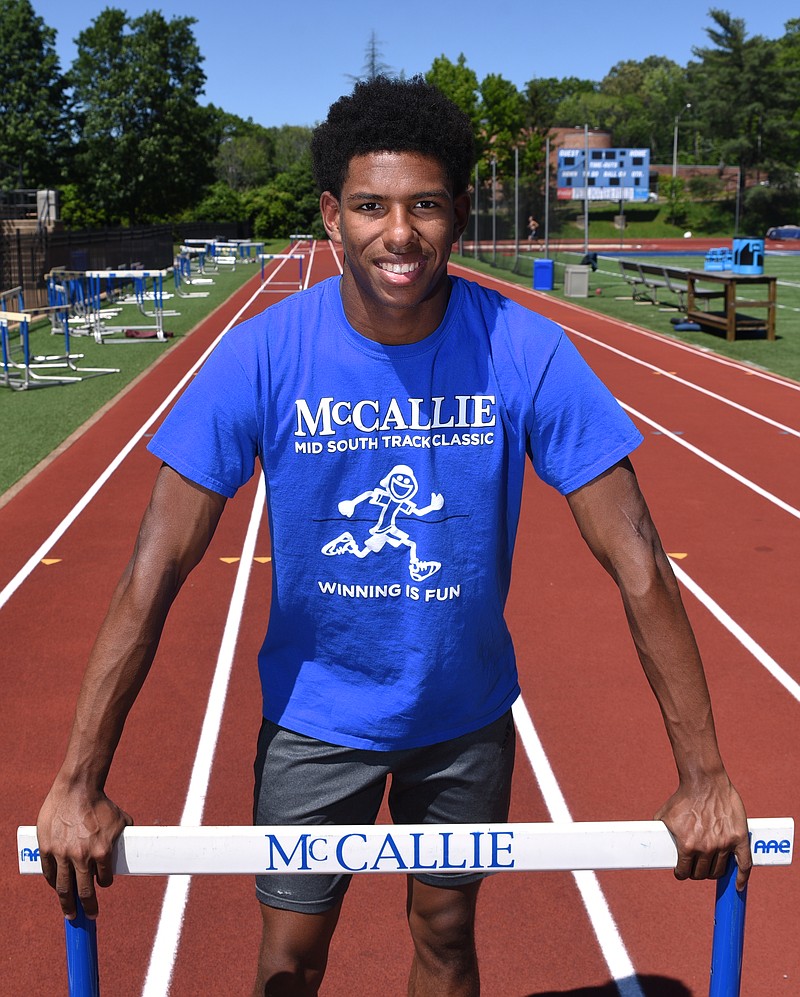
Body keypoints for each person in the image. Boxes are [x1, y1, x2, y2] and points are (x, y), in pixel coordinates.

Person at [37, 76, 750, 997]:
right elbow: (153, 569)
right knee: (291, 958)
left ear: (457, 213)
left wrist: (705, 776)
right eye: (371, 206)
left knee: (447, 936)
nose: (399, 233)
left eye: (425, 205)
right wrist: (78, 779)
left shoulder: (524, 352)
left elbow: (640, 562)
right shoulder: (262, 354)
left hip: (464, 718)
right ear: (333, 216)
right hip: (315, 719)